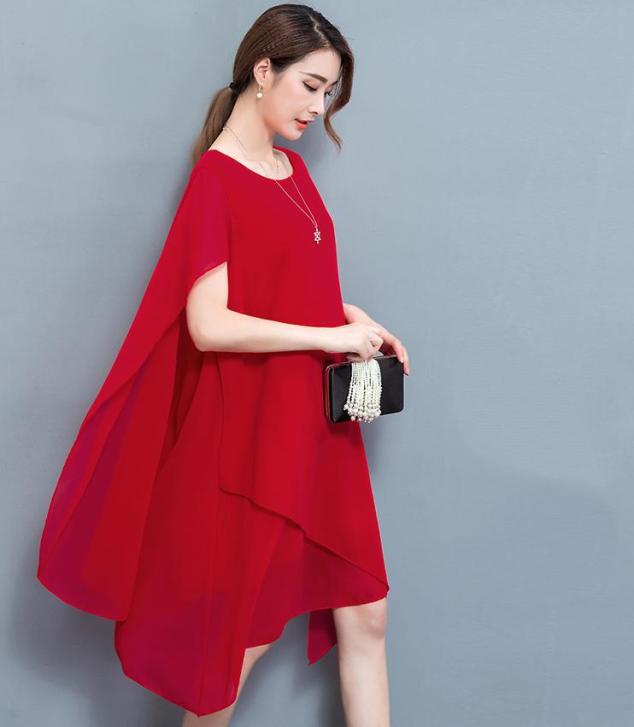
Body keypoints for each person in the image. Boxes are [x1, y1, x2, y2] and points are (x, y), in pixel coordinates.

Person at [36, 4, 410, 726]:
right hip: (254, 432)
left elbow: (290, 285)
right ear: (263, 70)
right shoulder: (216, 177)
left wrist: (354, 319)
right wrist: (327, 334)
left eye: (329, 92)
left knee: (366, 614)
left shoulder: (293, 170)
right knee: (241, 643)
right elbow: (208, 325)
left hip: (319, 427)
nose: (318, 107)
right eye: (310, 85)